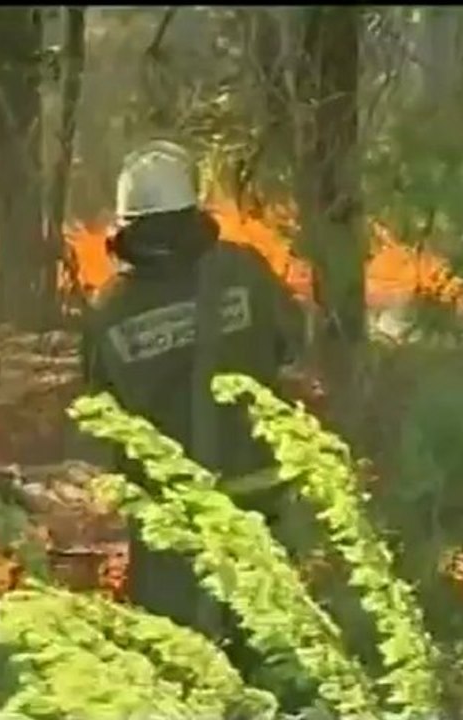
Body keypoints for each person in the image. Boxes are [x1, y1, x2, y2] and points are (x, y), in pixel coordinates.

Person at [81, 140, 304, 669]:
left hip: (169, 520)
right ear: (194, 213)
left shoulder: (109, 311)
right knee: (274, 649)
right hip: (260, 499)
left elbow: (98, 411)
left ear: (126, 229)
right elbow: (292, 341)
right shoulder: (244, 271)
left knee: (180, 662)